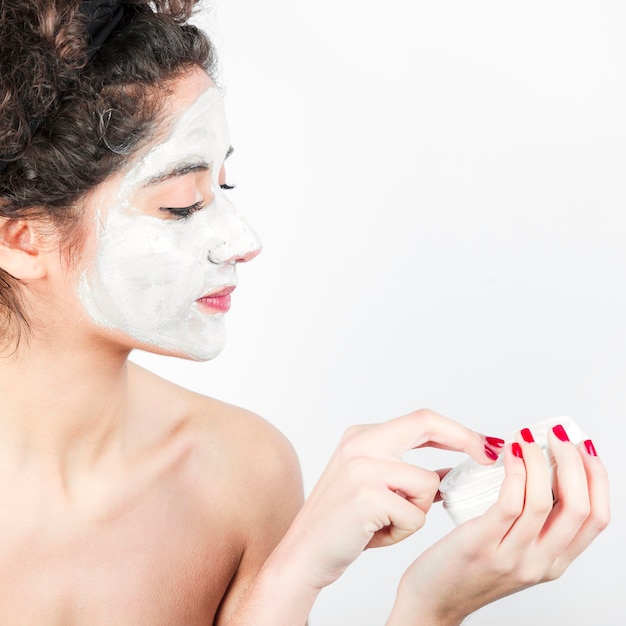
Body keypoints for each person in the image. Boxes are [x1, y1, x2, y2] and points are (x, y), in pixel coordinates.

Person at [0, 1, 610, 624]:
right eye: (183, 204)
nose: (244, 241)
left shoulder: (243, 473)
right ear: (21, 240)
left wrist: (420, 605)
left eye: (224, 187)